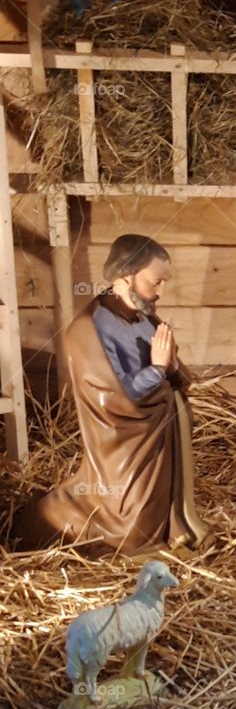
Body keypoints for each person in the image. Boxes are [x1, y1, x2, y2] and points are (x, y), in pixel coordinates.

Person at [14, 234, 208, 556]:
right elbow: (113, 399)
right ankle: (50, 518)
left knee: (155, 516)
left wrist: (171, 369)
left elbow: (174, 375)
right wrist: (157, 371)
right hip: (122, 447)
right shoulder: (89, 330)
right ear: (126, 274)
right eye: (155, 281)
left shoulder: (146, 318)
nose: (161, 291)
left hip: (157, 443)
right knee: (130, 530)